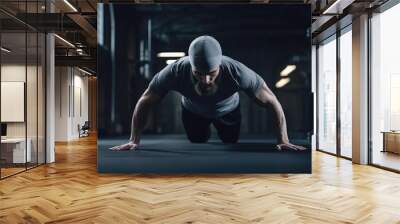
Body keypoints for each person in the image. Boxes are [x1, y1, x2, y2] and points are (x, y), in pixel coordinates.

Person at [110, 35, 305, 151]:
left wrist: (283, 140)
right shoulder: (176, 70)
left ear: (219, 66)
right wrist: (134, 140)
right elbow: (146, 100)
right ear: (191, 67)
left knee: (230, 143)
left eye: (211, 74)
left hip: (229, 111)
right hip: (193, 112)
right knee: (198, 142)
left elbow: (271, 101)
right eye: (198, 74)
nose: (205, 81)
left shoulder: (237, 71)